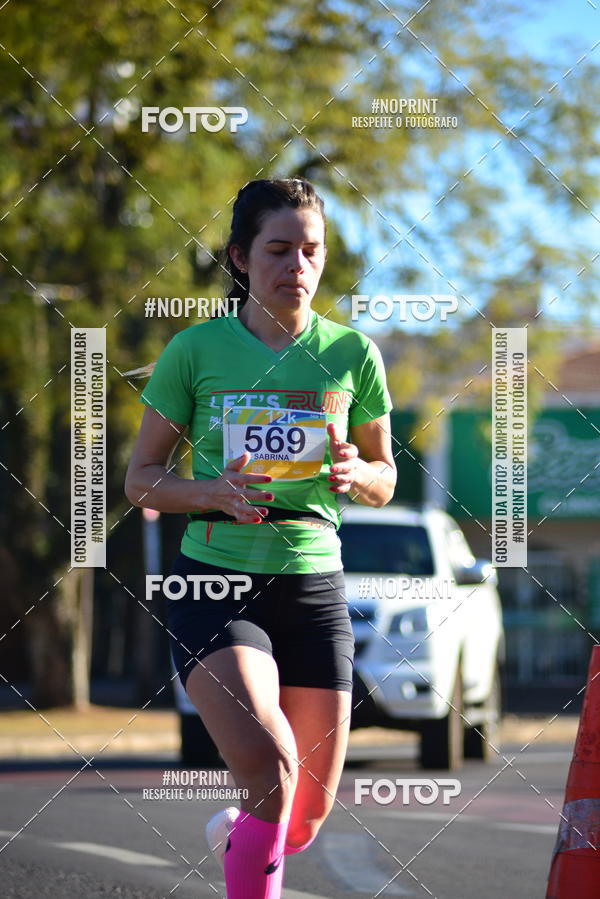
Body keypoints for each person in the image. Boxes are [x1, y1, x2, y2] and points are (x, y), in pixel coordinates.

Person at [124, 177, 396, 899]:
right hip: (215, 581)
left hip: (314, 583)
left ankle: (234, 834)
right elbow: (141, 478)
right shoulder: (195, 349)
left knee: (300, 817)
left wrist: (356, 470)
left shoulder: (352, 354)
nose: (296, 267)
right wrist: (208, 491)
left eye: (311, 251)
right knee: (271, 771)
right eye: (278, 250)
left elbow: (387, 474)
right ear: (240, 259)